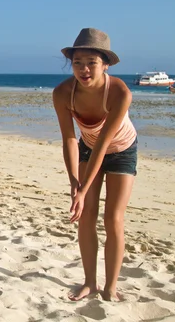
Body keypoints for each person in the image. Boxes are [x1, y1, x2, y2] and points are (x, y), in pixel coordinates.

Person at [52, 28, 138, 302]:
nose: (84, 69)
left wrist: (83, 187)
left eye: (92, 63)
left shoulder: (120, 92)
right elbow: (69, 138)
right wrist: (74, 183)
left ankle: (110, 287)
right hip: (88, 148)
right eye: (77, 62)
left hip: (121, 150)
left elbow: (105, 143)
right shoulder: (63, 92)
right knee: (85, 214)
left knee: (113, 218)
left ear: (106, 64)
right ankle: (89, 282)